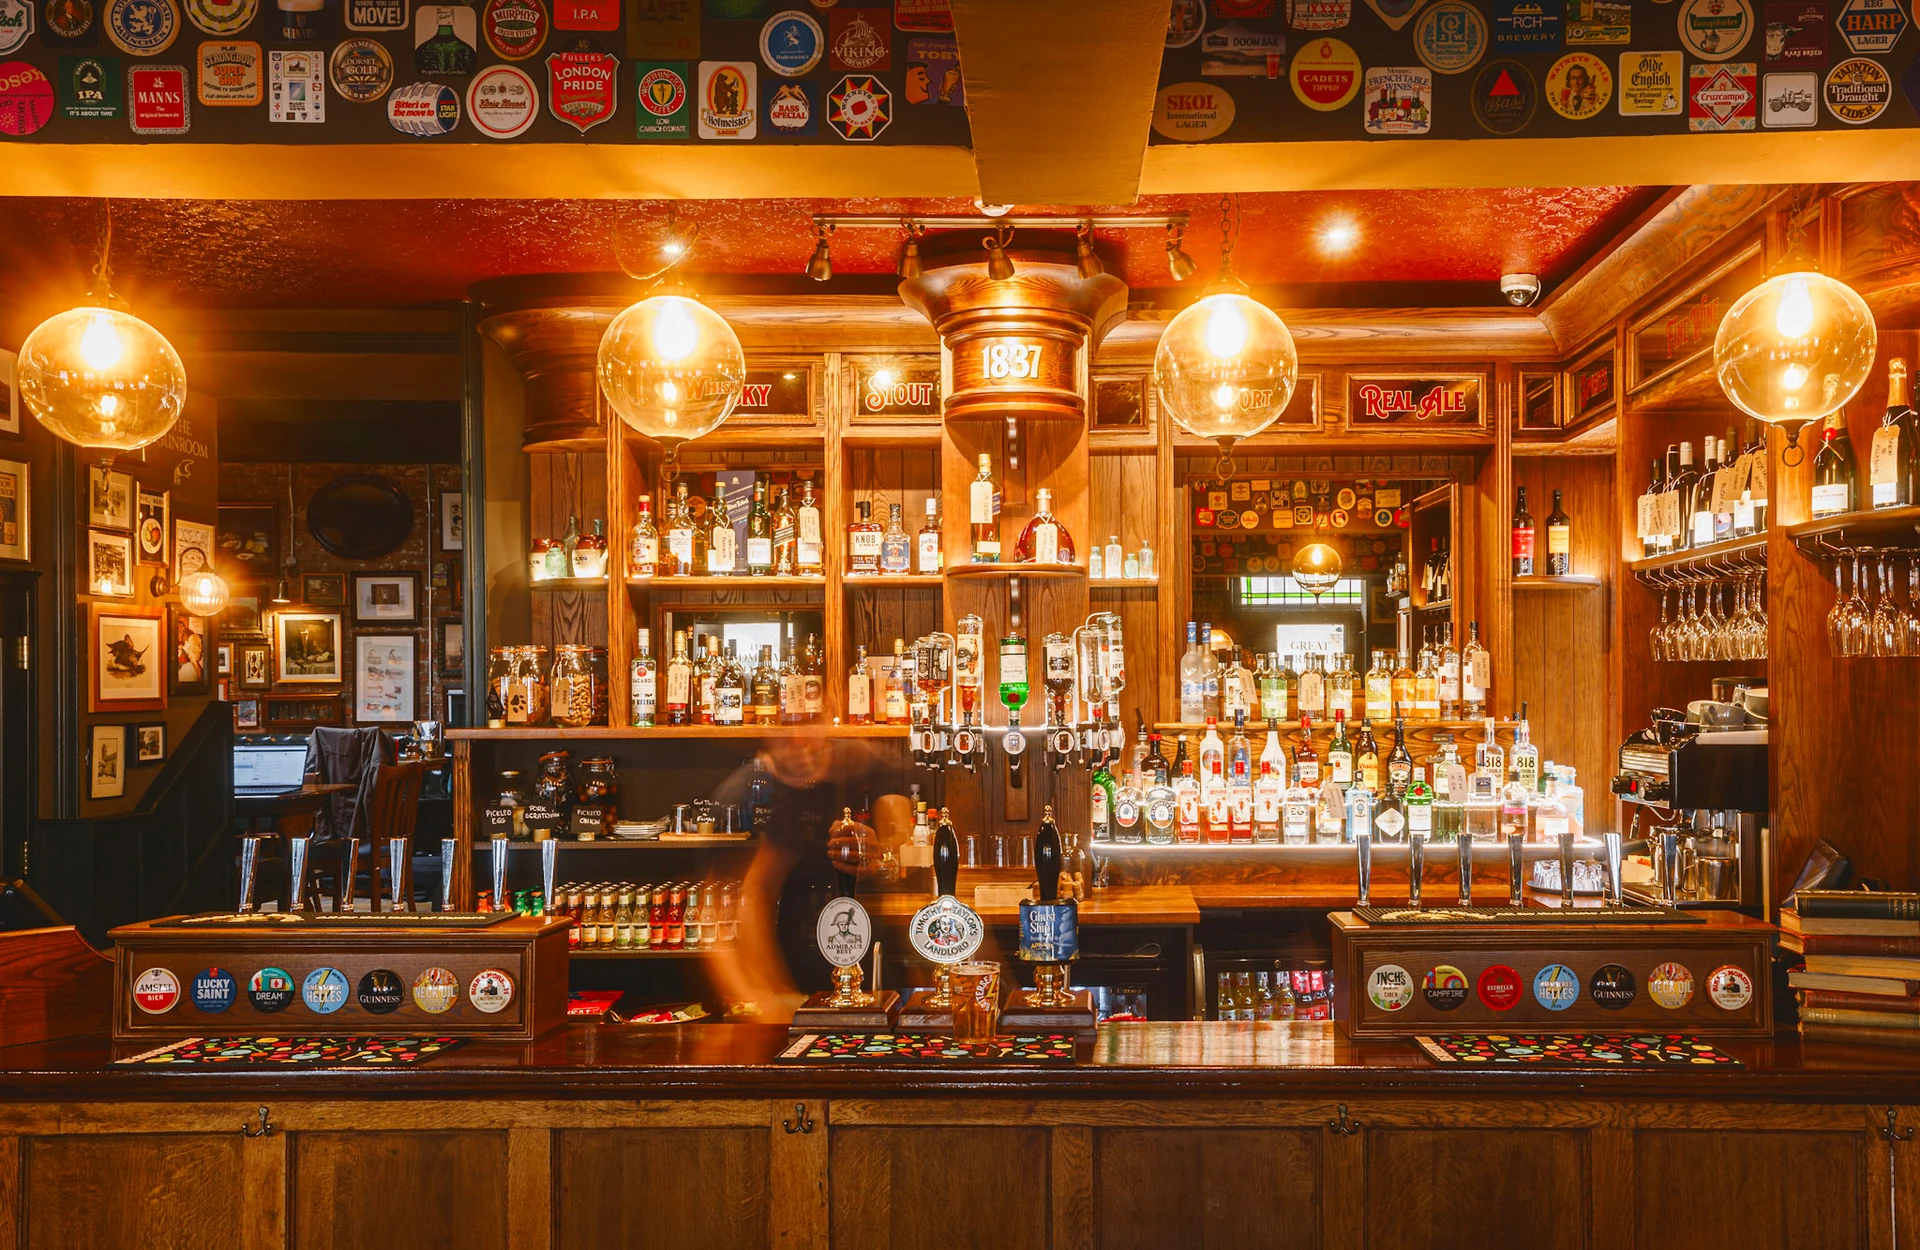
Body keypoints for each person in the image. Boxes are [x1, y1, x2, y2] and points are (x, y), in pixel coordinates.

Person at [704, 734, 910, 1019]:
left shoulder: (865, 761)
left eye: (806, 736)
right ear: (766, 748)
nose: (798, 748)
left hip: (874, 960)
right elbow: (753, 895)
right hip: (802, 965)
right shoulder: (747, 793)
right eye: (784, 742)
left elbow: (901, 837)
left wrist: (880, 856)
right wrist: (769, 997)